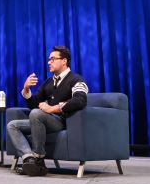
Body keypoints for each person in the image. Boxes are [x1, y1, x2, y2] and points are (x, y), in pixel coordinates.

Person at [6, 45, 89, 176]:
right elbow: (34, 104)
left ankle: (39, 159)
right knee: (12, 126)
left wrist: (53, 108)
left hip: (63, 121)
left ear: (64, 61)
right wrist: (26, 89)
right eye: (49, 59)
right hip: (44, 120)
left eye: (52, 59)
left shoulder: (76, 79)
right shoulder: (48, 82)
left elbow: (80, 100)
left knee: (36, 114)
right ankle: (29, 159)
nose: (49, 62)